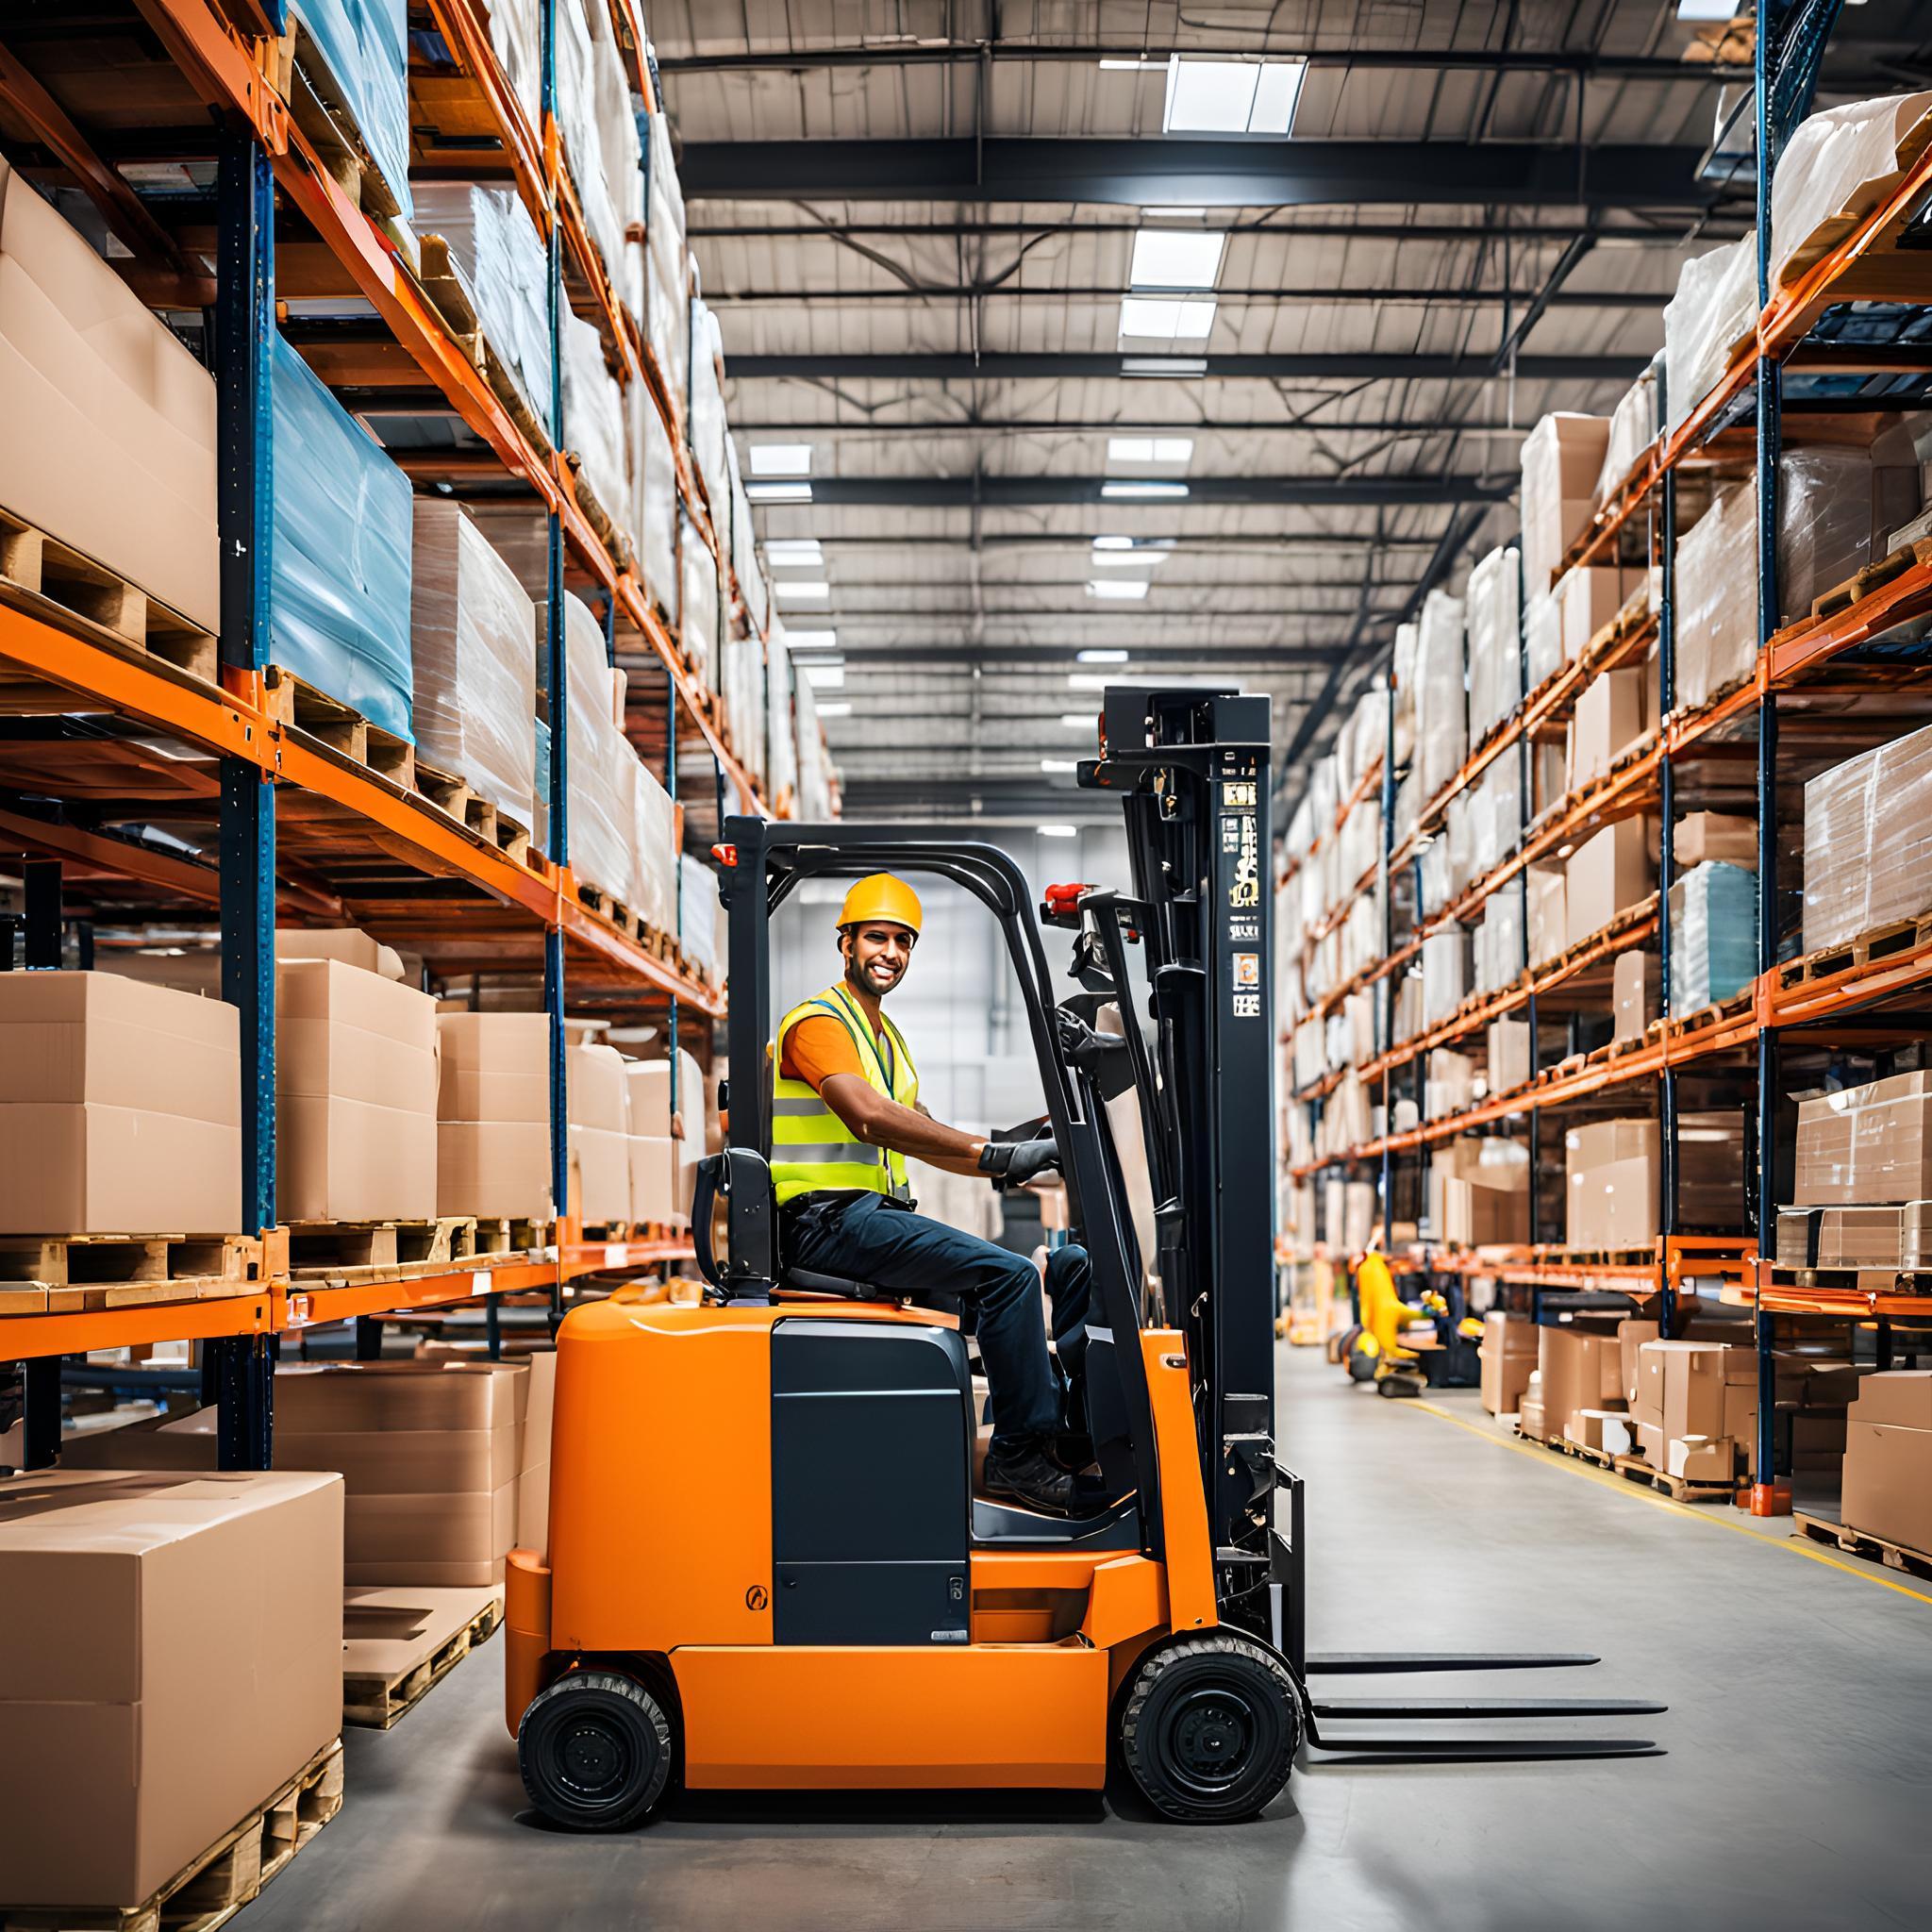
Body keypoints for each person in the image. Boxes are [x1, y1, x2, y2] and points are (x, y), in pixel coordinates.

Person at [772, 872, 1097, 1516]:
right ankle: (1019, 1457)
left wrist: (1017, 1154)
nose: (888, 953)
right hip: (824, 1220)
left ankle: (1068, 1431)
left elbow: (922, 1136)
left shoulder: (887, 1040)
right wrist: (997, 1155)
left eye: (901, 941)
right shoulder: (817, 1023)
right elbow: (869, 1116)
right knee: (1008, 1278)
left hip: (868, 1218)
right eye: (875, 938)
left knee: (1030, 1293)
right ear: (846, 944)